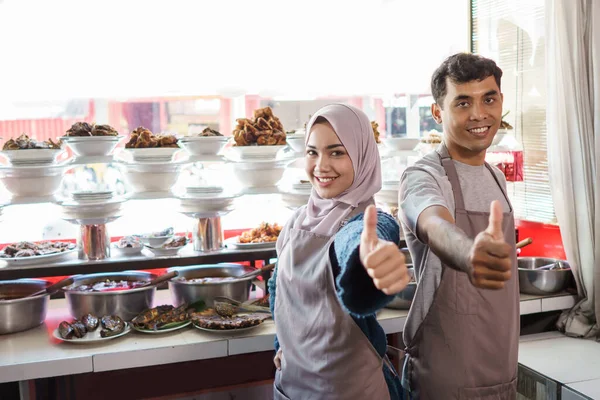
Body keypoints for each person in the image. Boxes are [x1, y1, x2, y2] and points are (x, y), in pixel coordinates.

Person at [268, 103, 410, 399]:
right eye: (312, 152)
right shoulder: (296, 221)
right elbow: (278, 290)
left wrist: (370, 266)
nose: (321, 166)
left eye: (337, 152)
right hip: (293, 387)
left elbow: (357, 247)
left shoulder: (370, 222)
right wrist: (281, 344)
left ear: (362, 156)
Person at [399, 53, 519, 399]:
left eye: (489, 99)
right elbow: (434, 223)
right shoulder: (425, 176)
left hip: (501, 369)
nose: (479, 114)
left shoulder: (496, 178)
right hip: (444, 378)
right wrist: (468, 254)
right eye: (463, 102)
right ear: (438, 113)